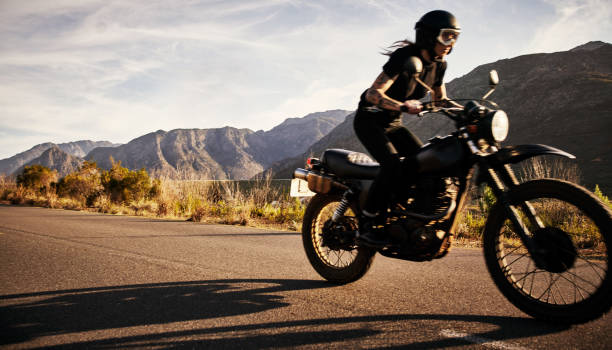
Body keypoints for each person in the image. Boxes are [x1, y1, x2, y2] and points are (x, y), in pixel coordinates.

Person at [353, 10, 461, 248]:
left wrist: (466, 112)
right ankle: (368, 223)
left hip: (392, 123)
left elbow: (440, 100)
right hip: (369, 119)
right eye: (446, 36)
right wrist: (401, 106)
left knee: (421, 162)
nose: (450, 43)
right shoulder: (405, 57)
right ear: (430, 35)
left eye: (455, 37)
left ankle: (402, 213)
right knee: (392, 165)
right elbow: (373, 94)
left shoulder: (439, 65)